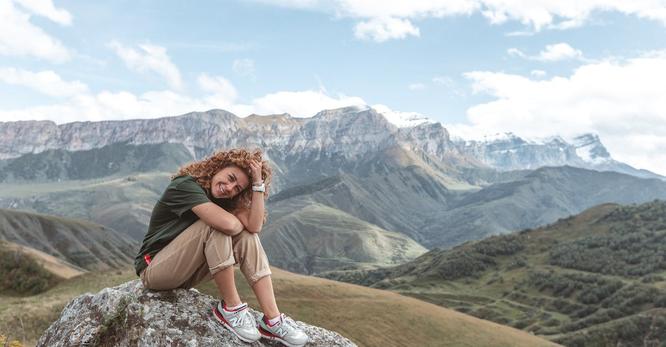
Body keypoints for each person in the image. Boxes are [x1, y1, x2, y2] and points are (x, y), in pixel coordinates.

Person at [134, 148, 308, 347]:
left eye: (237, 188)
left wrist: (257, 186)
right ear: (218, 167)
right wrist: (234, 219)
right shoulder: (184, 185)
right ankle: (231, 308)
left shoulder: (226, 200)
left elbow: (254, 227)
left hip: (185, 274)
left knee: (247, 236)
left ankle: (273, 320)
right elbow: (229, 225)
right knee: (216, 226)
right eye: (230, 177)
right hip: (155, 270)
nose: (229, 188)